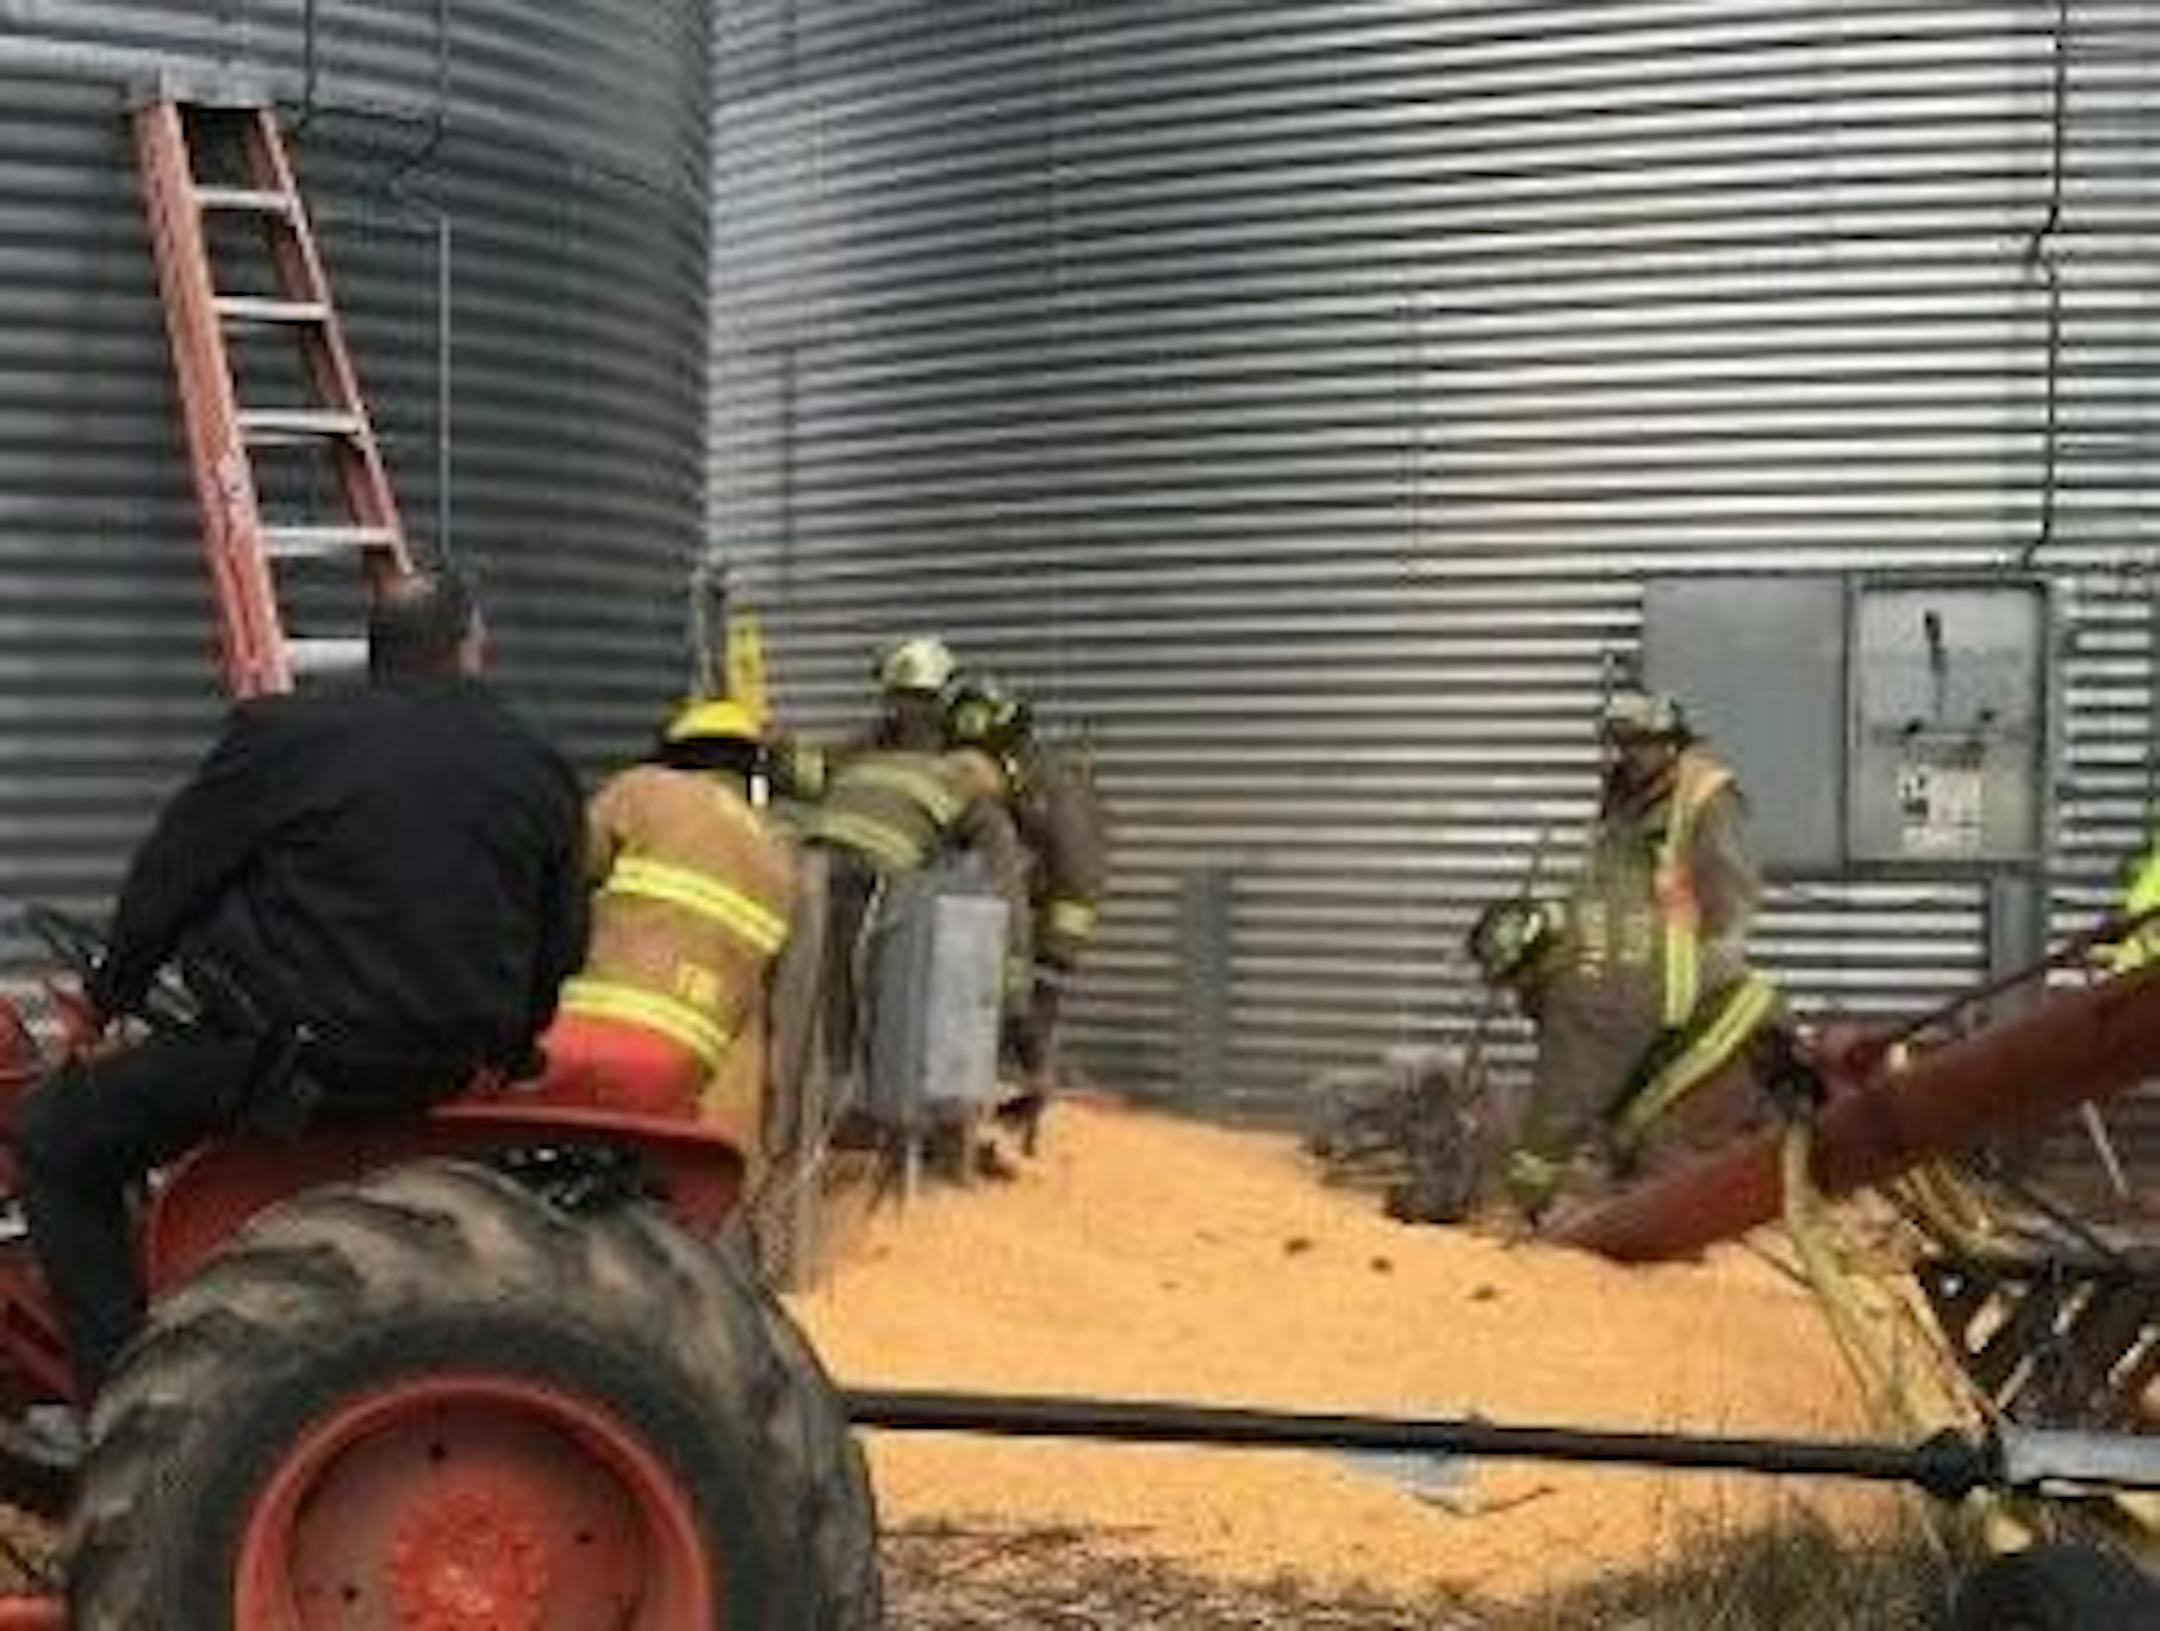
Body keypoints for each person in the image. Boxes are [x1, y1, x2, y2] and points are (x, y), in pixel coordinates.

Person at [18, 570, 586, 1398]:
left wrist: (108, 998)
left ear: (373, 648)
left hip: (291, 1063)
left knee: (56, 1138)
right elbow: (560, 938)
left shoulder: (286, 735)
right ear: (472, 645)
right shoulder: (537, 764)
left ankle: (116, 1396)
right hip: (441, 1064)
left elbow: (172, 877)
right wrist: (510, 1043)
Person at [1504, 689, 1778, 1219]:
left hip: (1689, 990)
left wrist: (1704, 970)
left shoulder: (1706, 798)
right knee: (1629, 1106)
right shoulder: (1621, 794)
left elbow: (1733, 897)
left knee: (1665, 1147)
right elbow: (1604, 883)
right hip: (1634, 976)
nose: (1628, 755)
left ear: (1671, 745)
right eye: (1620, 743)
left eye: (1640, 744)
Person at [538, 698, 794, 1158]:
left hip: (579, 1037)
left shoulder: (643, 791)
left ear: (672, 755)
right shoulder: (779, 861)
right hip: (681, 1065)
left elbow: (559, 873)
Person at [944, 672, 1109, 1149]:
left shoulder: (1054, 790)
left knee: (1028, 1027)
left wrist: (1056, 956)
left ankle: (1022, 1131)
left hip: (1035, 932)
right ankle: (971, 1128)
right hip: (983, 925)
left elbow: (1078, 875)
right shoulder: (992, 785)